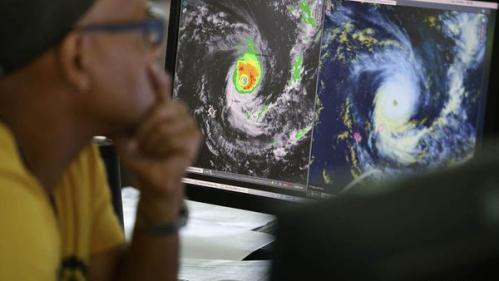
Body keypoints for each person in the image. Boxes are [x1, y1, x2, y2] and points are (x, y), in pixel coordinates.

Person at [0, 0, 201, 280]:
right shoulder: (9, 208)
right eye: (146, 32)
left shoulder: (75, 164)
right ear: (77, 58)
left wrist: (160, 199)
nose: (156, 56)